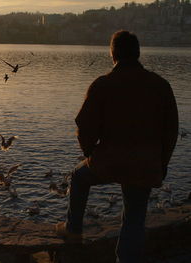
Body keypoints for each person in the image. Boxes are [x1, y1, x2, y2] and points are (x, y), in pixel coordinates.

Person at [56, 30, 179, 263]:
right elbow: (171, 129)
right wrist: (162, 162)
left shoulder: (103, 84)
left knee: (78, 176)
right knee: (134, 219)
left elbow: (84, 123)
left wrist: (90, 152)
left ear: (113, 54)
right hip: (146, 163)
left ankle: (73, 230)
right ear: (138, 54)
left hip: (109, 160)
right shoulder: (160, 85)